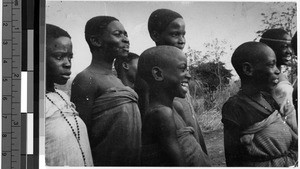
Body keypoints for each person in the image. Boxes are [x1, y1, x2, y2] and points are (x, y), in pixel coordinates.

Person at [136, 8, 209, 155]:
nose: (181, 40)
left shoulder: (176, 69)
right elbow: (149, 125)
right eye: (175, 34)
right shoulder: (149, 73)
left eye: (183, 34)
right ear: (155, 35)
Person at [71, 16, 141, 166]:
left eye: (126, 34)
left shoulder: (116, 80)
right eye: (117, 34)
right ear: (96, 41)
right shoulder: (87, 79)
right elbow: (82, 136)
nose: (126, 39)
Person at [222, 41, 297, 166]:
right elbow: (232, 157)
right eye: (271, 65)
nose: (277, 71)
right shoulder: (235, 107)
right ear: (248, 69)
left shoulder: (268, 98)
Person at [139, 46, 211, 166]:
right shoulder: (161, 113)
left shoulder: (176, 107)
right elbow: (178, 163)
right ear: (158, 74)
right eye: (183, 69)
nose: (188, 75)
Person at [45, 24, 93, 166]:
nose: (67, 64)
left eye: (70, 57)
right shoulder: (28, 104)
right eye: (59, 57)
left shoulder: (62, 96)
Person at [260, 29, 297, 131]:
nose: (290, 51)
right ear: (270, 48)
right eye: (284, 46)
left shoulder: (262, 77)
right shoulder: (281, 86)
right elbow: (290, 121)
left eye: (291, 46)